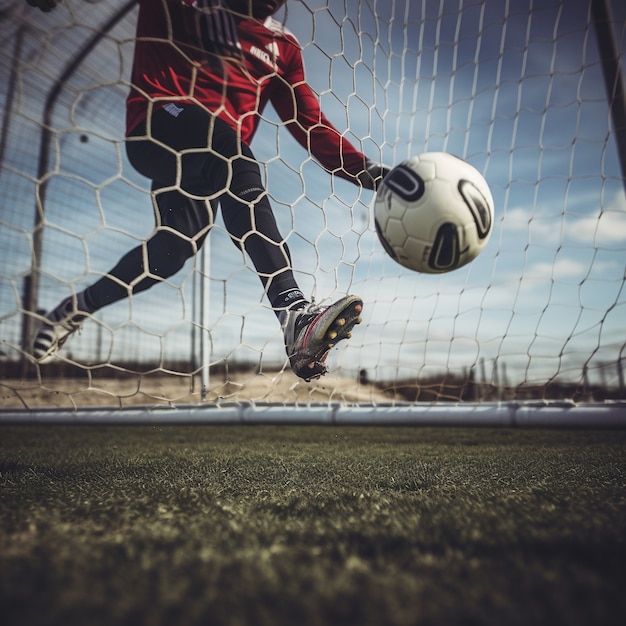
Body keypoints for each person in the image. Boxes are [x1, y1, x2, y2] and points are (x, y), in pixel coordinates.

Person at [26, 0, 389, 381]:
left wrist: (375, 175)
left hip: (207, 166)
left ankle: (76, 307)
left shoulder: (283, 48)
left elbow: (311, 125)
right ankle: (294, 312)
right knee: (233, 154)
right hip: (158, 121)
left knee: (174, 248)